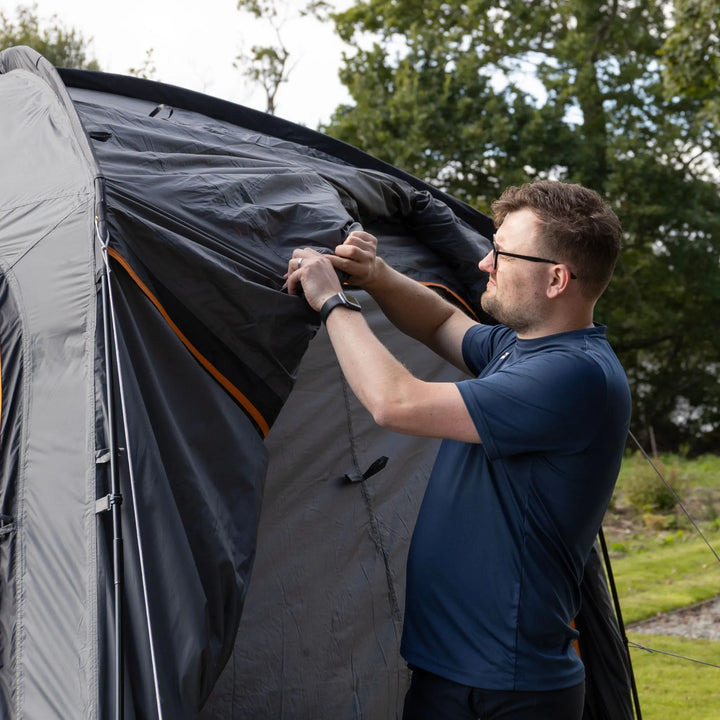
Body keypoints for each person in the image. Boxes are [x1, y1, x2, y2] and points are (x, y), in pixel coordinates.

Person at [285, 181, 631, 720]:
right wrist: (378, 276)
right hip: (452, 672)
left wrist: (333, 300)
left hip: (508, 690)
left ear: (557, 278)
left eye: (504, 253)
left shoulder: (574, 375)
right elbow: (444, 321)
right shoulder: (521, 349)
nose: (485, 262)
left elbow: (394, 403)